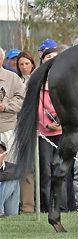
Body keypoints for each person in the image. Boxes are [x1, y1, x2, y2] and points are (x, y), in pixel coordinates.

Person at [38, 48, 75, 212]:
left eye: (54, 57)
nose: (51, 59)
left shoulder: (66, 80)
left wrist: (62, 121)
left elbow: (71, 103)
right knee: (46, 172)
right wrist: (46, 124)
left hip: (62, 131)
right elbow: (36, 107)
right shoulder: (37, 80)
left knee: (62, 170)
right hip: (43, 133)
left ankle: (62, 206)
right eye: (47, 57)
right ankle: (48, 206)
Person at [0, 47, 25, 216]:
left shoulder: (13, 78)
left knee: (10, 171)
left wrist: (5, 106)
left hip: (7, 129)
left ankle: (11, 212)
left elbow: (22, 99)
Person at [15, 51, 36, 213]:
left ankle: (32, 205)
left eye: (26, 63)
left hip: (35, 128)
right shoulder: (15, 80)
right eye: (21, 64)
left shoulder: (37, 80)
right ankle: (21, 205)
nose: (23, 67)